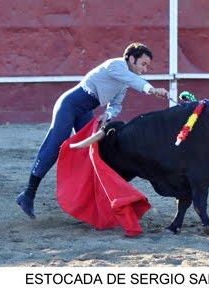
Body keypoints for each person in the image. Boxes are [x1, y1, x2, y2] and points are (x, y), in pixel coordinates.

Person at [16, 42, 169, 219]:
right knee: (55, 145)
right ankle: (28, 194)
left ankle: (93, 199)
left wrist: (107, 114)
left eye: (147, 66)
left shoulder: (124, 82)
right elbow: (133, 80)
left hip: (85, 110)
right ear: (131, 59)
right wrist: (152, 89)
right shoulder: (116, 65)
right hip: (70, 105)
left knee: (97, 151)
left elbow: (116, 104)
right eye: (143, 64)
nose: (145, 69)